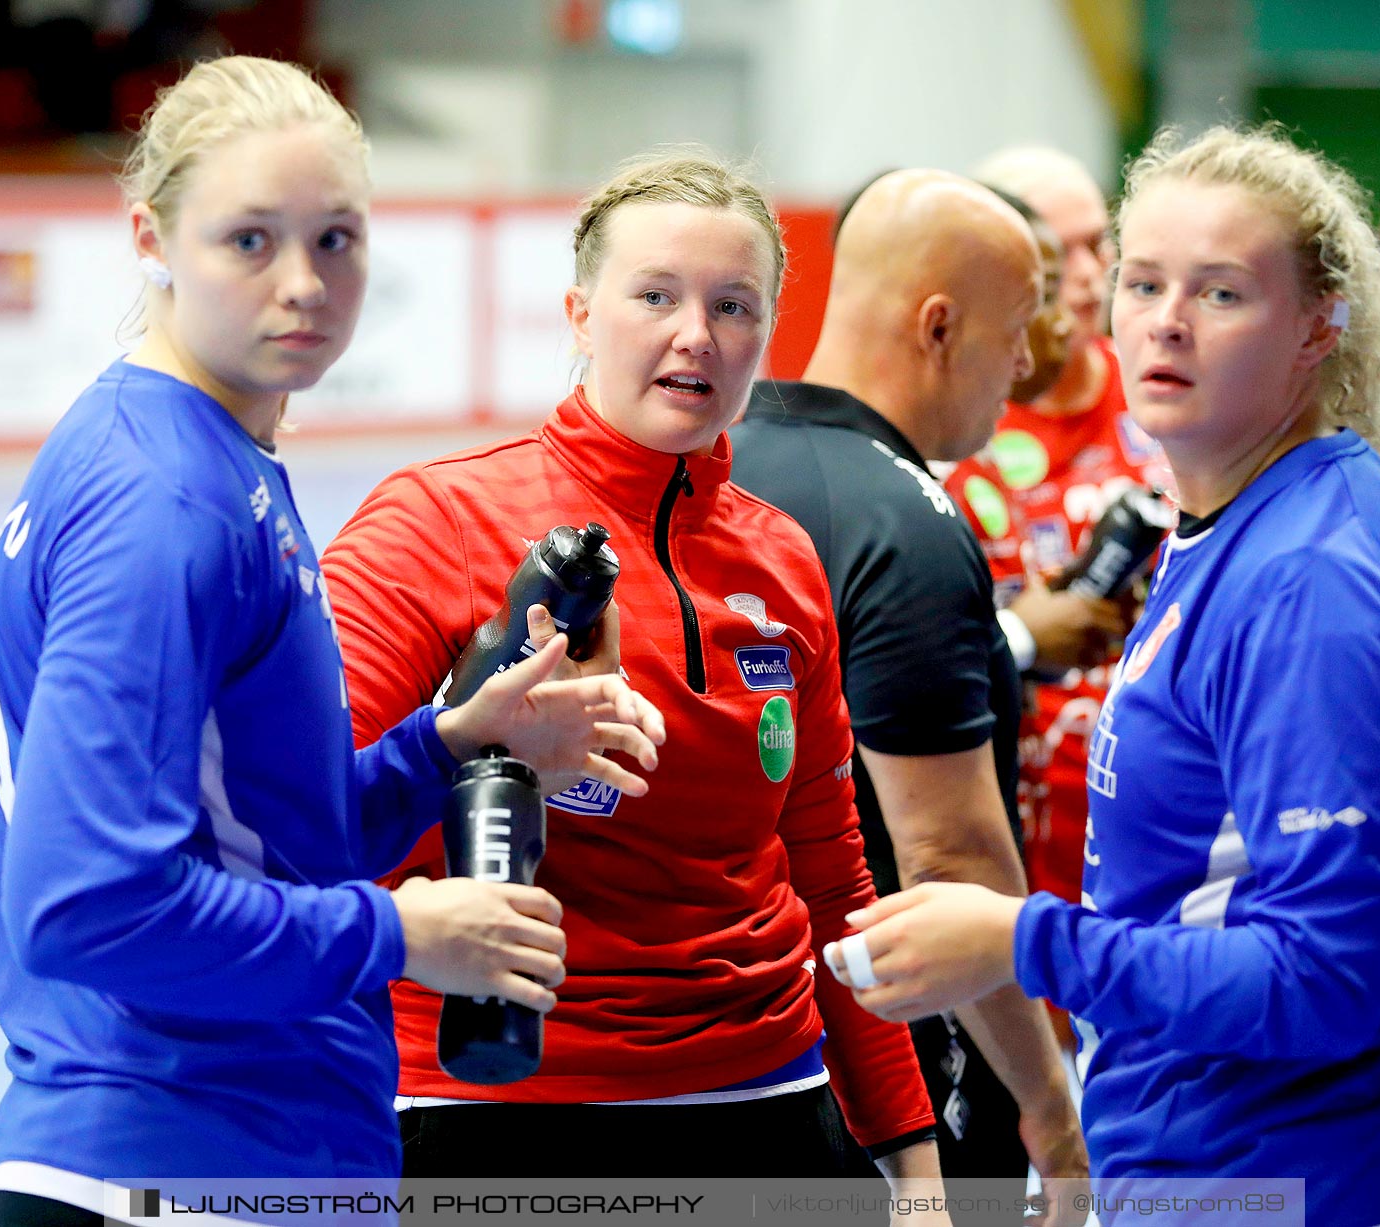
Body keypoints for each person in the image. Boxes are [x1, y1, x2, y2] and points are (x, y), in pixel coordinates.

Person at [0, 56, 662, 1226]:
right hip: (175, 1158)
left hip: (237, 1149)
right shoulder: (166, 504)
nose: (302, 284)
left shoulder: (205, 449)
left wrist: (450, 747)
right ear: (152, 239)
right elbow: (86, 905)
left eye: (336, 240)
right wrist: (398, 931)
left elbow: (256, 831)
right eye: (250, 241)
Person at [828, 126, 1380, 1227]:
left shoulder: (1308, 581)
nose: (1167, 319)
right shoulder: (1250, 519)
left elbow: (1326, 982)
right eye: (1144, 282)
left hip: (1313, 1186)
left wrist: (1017, 940)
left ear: (1319, 325)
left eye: (1224, 292)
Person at [319, 151, 943, 1193]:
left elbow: (831, 876)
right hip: (496, 1108)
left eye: (733, 305)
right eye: (654, 294)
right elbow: (309, 820)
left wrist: (915, 1167)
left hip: (767, 1100)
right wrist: (466, 743)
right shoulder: (435, 524)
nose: (695, 334)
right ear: (579, 313)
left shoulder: (784, 562)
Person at [728, 170, 1086, 1205]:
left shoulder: (711, 469)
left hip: (735, 1056)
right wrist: (1051, 1108)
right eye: (1016, 328)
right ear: (939, 325)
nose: (1025, 363)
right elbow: (950, 855)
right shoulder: (905, 525)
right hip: (893, 1083)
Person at [942, 146, 1153, 960]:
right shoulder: (960, 430)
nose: (1088, 275)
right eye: (1056, 254)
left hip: (1163, 844)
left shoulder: (1166, 396)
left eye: (1099, 243)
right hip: (1013, 852)